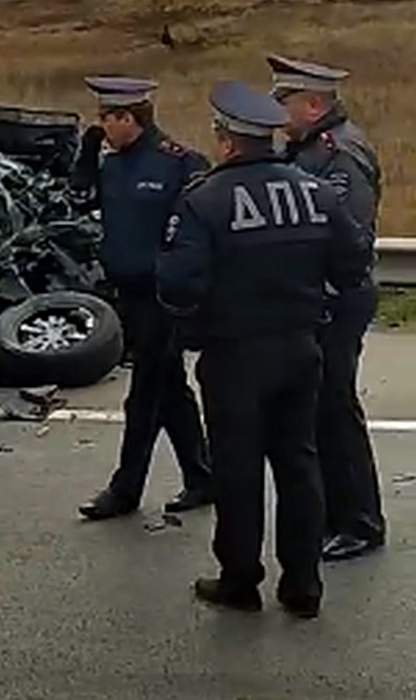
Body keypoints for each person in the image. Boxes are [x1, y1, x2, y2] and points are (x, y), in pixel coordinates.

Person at [157, 80, 373, 619]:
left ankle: (240, 578)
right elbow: (352, 267)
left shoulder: (204, 199)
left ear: (228, 142)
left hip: (235, 356)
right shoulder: (316, 191)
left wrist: (198, 322)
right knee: (300, 464)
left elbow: (177, 287)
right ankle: (303, 584)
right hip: (302, 349)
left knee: (238, 468)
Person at [71, 76, 213, 521]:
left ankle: (125, 489)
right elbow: (79, 200)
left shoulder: (179, 163)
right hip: (129, 295)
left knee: (145, 394)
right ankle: (202, 476)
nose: (103, 127)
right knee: (170, 389)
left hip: (164, 298)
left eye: (107, 120)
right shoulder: (111, 164)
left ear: (129, 118)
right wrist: (86, 154)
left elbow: (196, 233)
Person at [268, 54, 387, 562]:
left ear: (314, 105)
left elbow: (349, 238)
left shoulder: (341, 154)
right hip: (313, 300)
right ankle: (332, 516)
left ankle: (360, 521)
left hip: (337, 300)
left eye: (286, 103)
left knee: (335, 410)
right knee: (315, 411)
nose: (279, 113)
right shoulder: (305, 149)